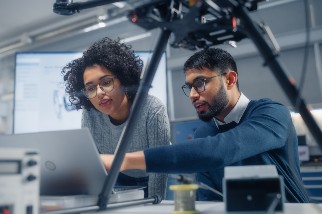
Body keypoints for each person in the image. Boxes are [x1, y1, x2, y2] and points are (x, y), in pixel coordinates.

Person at [101, 48, 310, 203]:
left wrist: (124, 160)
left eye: (200, 83)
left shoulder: (271, 113)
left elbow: (223, 149)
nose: (192, 95)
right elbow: (208, 197)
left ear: (229, 79)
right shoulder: (204, 131)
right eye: (189, 87)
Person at [61, 37, 170, 199]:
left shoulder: (152, 109)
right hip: (117, 179)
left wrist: (154, 204)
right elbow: (95, 166)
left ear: (124, 80)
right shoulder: (90, 115)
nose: (99, 92)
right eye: (90, 88)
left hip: (151, 177)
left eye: (106, 82)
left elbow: (159, 166)